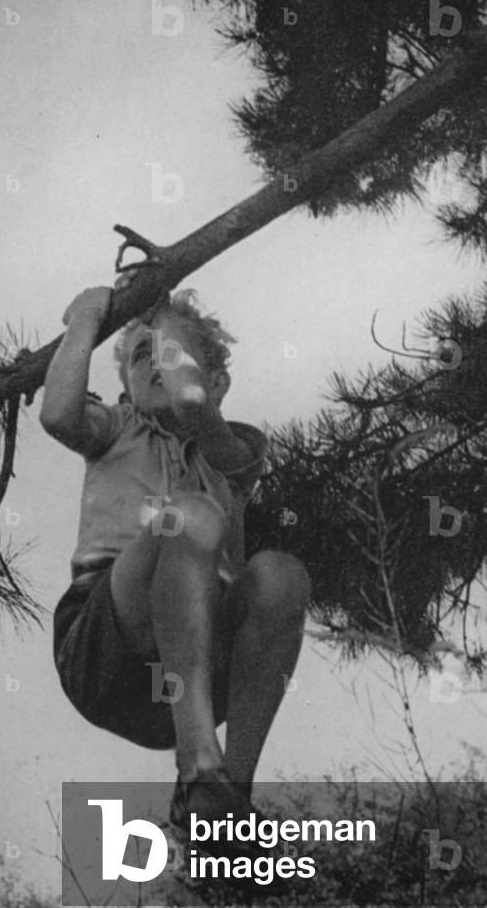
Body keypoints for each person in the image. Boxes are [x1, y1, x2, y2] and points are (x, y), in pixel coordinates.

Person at [40, 278, 310, 853]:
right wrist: (88, 320)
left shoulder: (230, 455)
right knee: (187, 517)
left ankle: (224, 797)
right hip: (105, 651)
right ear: (124, 387)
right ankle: (198, 768)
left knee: (281, 573)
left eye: (172, 354)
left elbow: (194, 407)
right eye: (142, 357)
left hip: (190, 679)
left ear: (219, 383)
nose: (156, 366)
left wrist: (167, 344)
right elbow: (58, 415)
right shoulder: (117, 428)